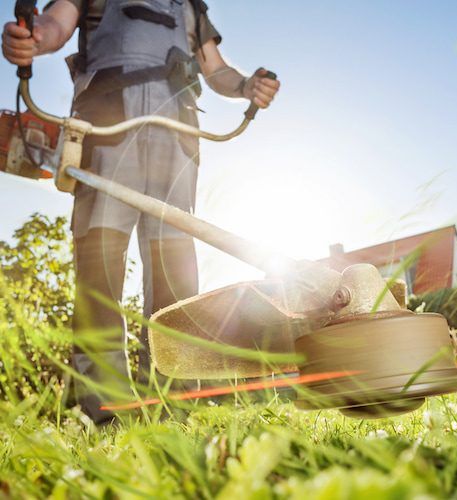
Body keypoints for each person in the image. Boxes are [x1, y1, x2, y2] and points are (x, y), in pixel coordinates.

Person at [2, 0, 280, 424]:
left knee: (176, 277)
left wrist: (246, 86)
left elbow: (216, 68)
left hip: (178, 131)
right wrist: (34, 40)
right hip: (107, 123)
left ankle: (175, 411)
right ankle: (104, 415)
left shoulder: (189, 5)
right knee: (100, 271)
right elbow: (54, 24)